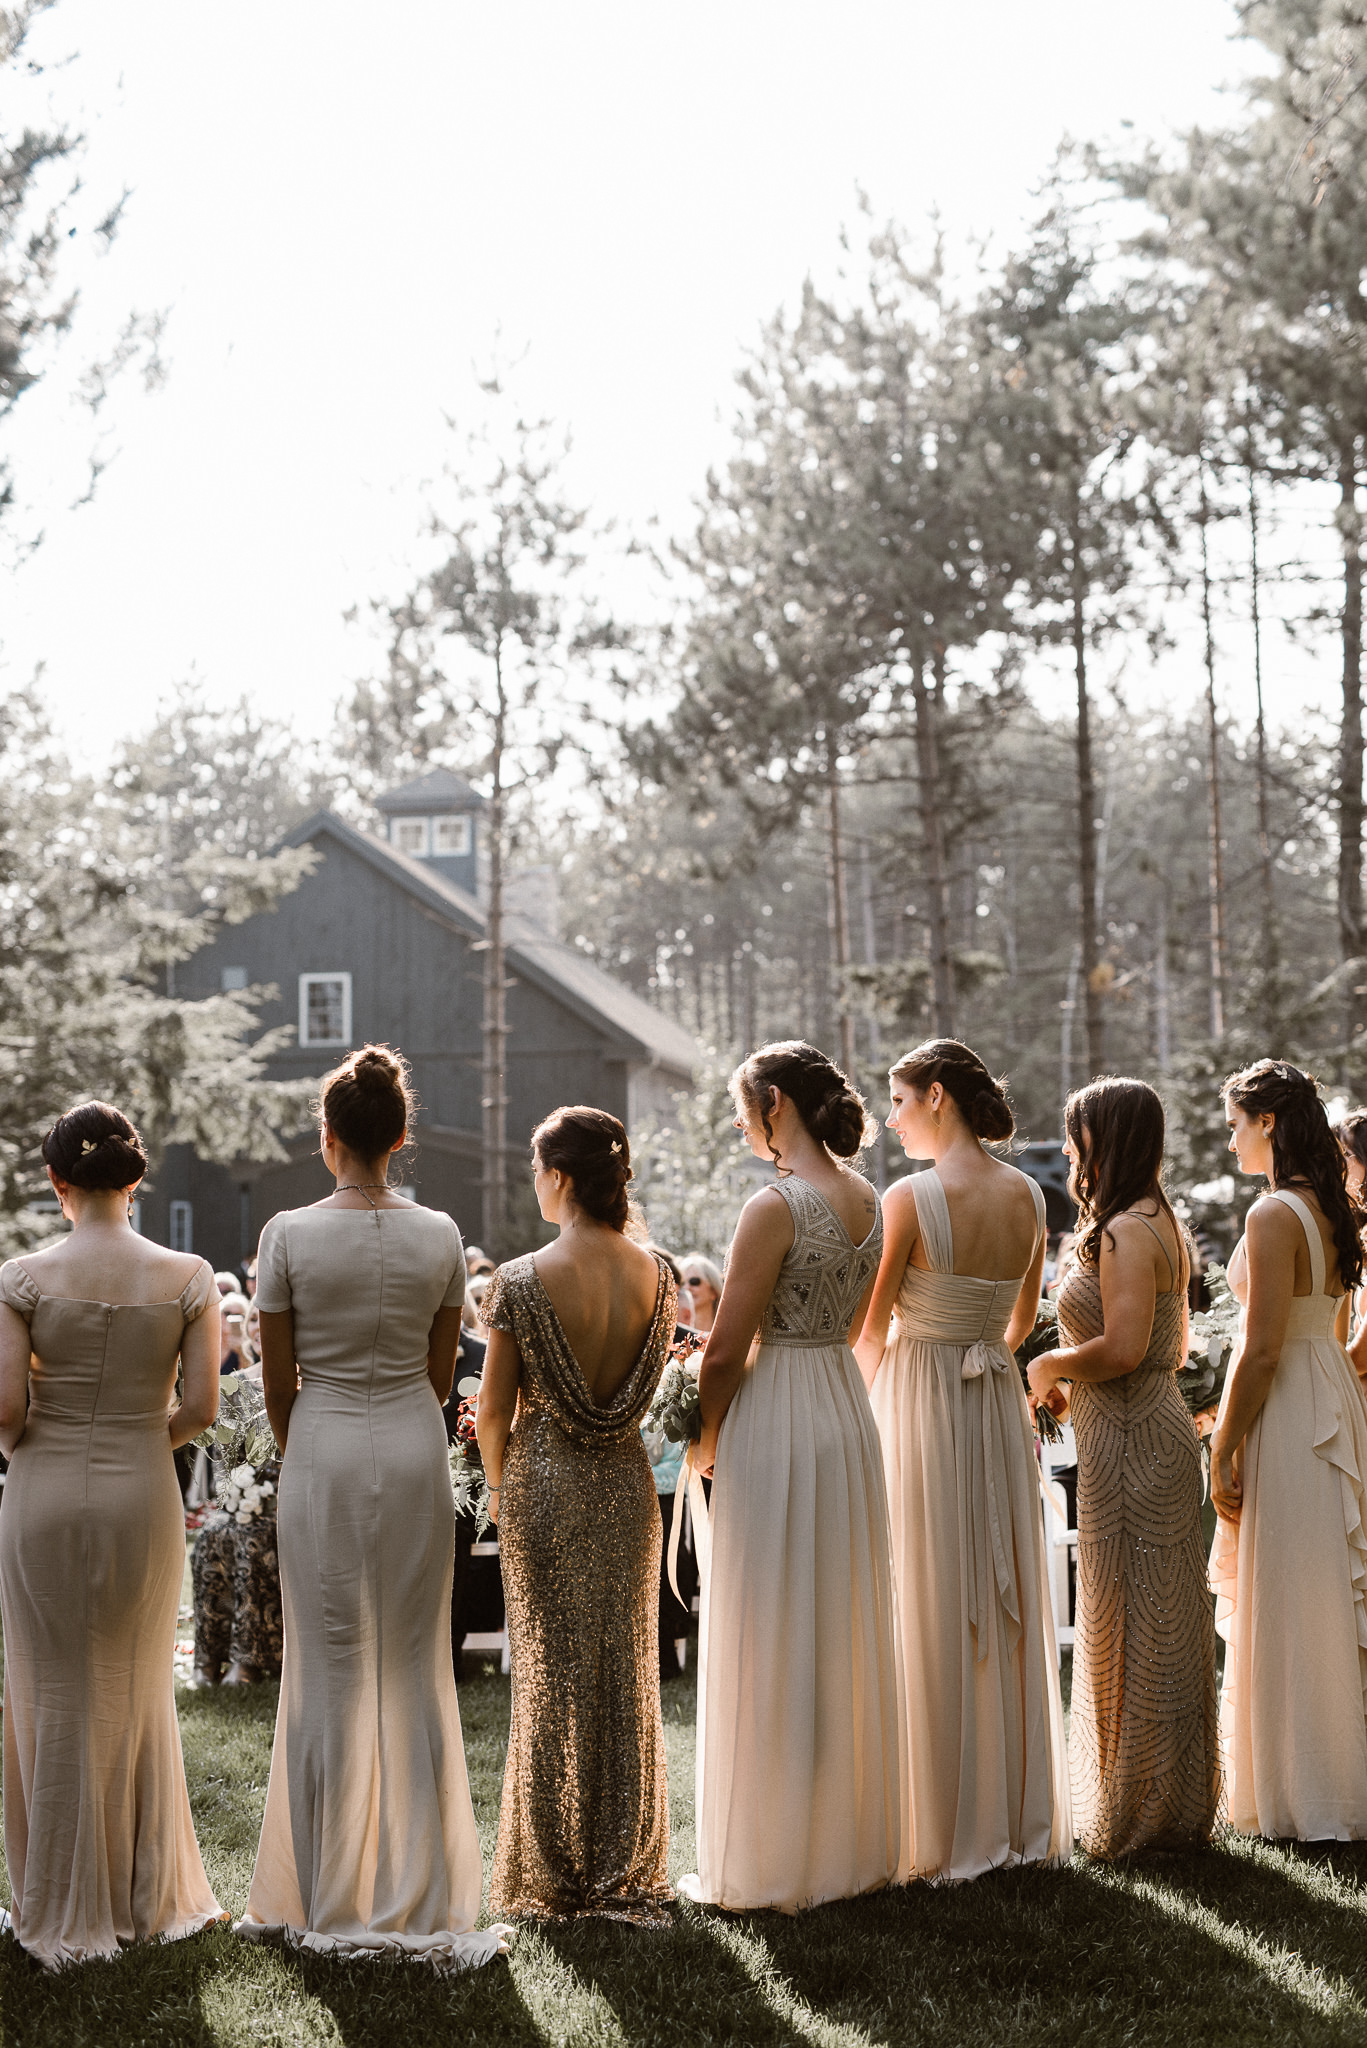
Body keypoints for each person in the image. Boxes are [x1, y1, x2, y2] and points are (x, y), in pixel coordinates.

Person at [239, 1044, 506, 1967]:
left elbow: (278, 1383)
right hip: (411, 1445)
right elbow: (442, 1376)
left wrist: (307, 1445)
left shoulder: (286, 1234)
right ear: (400, 1136)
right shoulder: (438, 1234)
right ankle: (419, 1881)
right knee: (408, 1656)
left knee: (329, 1659)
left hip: (321, 1447)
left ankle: (328, 1884)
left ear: (328, 1139)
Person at [681, 1041, 904, 1913]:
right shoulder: (868, 1199)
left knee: (770, 1614)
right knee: (834, 1618)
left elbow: (728, 1347)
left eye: (743, 1107)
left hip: (777, 1407)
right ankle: (843, 1842)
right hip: (842, 1409)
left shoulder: (773, 1205)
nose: (739, 1122)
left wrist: (700, 1436)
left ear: (774, 1103)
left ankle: (773, 1855)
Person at [0, 1101, 224, 1968]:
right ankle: (141, 1896)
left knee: (49, 1685)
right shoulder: (190, 1275)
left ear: (59, 1183)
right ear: (135, 1180)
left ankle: (56, 1900)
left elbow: (10, 1410)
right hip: (142, 1492)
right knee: (133, 1684)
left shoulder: (21, 1277)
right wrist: (134, 1438)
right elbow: (199, 1408)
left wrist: (48, 1448)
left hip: (43, 1493)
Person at [855, 1040, 1069, 1880]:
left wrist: (864, 1406)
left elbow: (871, 1327)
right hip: (990, 1399)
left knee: (929, 1582)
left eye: (898, 1101)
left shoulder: (908, 1197)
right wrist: (977, 1349)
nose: (889, 1117)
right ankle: (1011, 1813)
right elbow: (1020, 1321)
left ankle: (939, 1819)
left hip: (919, 1397)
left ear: (936, 1096)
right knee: (992, 1586)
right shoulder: (1026, 1196)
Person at [477, 1107, 677, 1923]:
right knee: (624, 1673)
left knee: (553, 1675)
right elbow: (650, 1387)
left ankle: (556, 1867)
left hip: (546, 1485)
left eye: (535, 1169)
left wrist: (499, 1489)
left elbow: (492, 1413)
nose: (533, 1184)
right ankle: (622, 1858)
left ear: (558, 1176)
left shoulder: (522, 1280)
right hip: (627, 1488)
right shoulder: (659, 1274)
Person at [1030, 1077, 1221, 1858]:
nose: (1071, 1149)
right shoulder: (1161, 1222)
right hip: (1145, 1431)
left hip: (1133, 1445)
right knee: (1154, 1624)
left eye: (1077, 1134)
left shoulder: (1122, 1231)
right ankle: (1161, 1805)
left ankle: (1140, 1815)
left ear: (1102, 1139)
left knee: (1136, 1625)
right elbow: (1172, 1349)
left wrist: (1048, 1368)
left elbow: (1127, 1347)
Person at [1208, 1058, 1367, 1841]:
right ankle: (1326, 1776)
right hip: (1330, 1389)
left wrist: (1221, 1446)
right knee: (1325, 1589)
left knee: (1296, 1591)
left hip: (1293, 1404)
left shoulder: (1272, 1216)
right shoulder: (1331, 1206)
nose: (1229, 1138)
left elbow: (1260, 1349)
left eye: (1235, 1122)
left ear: (1266, 1121)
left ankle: (1312, 1793)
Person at [679, 1254, 723, 1335]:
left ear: (714, 1292)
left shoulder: (727, 1333)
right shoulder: (673, 1335)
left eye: (694, 1282)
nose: (686, 1287)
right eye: (682, 1283)